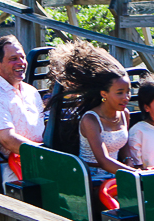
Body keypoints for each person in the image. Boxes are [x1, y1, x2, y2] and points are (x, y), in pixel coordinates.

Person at [48, 40, 135, 177]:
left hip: (117, 173)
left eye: (128, 91)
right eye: (119, 93)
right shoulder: (90, 120)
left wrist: (129, 162)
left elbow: (123, 145)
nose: (126, 97)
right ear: (104, 94)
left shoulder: (124, 114)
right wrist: (136, 174)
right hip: (92, 177)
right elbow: (103, 160)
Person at [0, 35, 44, 184]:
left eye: (22, 57)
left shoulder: (31, 91)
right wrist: (45, 155)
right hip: (7, 167)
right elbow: (8, 140)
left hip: (37, 159)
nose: (21, 63)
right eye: (13, 59)